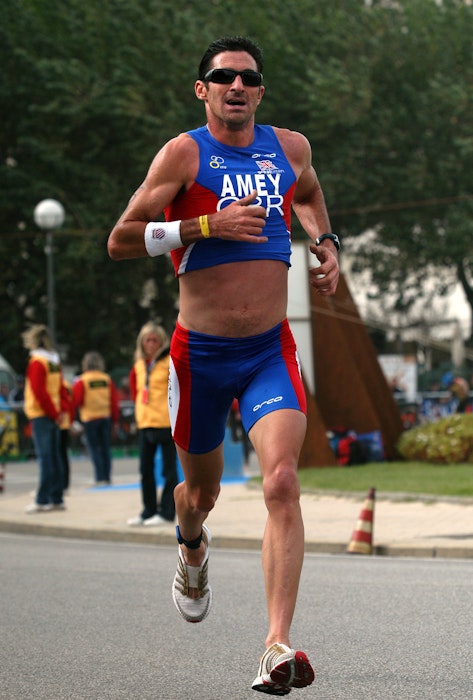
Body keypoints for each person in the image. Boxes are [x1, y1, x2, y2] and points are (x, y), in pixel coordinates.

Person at [108, 35, 339, 695]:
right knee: (199, 496)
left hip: (269, 351)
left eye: (248, 78)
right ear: (202, 89)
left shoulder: (289, 148)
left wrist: (325, 241)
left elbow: (308, 192)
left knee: (281, 482)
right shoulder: (183, 155)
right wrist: (203, 226)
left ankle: (275, 645)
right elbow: (121, 239)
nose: (236, 86)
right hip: (200, 358)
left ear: (260, 91)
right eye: (222, 77)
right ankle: (191, 546)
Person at [126, 322, 178, 526]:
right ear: (142, 342)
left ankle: (167, 512)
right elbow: (135, 391)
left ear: (161, 342)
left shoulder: (168, 362)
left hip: (165, 422)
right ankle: (148, 510)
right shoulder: (139, 365)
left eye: (155, 340)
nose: (151, 344)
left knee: (169, 471)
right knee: (145, 470)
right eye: (147, 340)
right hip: (145, 422)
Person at [22, 325, 67, 513]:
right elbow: (61, 389)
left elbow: (38, 391)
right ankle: (57, 497)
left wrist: (53, 413)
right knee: (55, 458)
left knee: (46, 458)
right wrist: (60, 412)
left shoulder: (37, 362)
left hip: (42, 414)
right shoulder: (54, 362)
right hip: (54, 414)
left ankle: (42, 499)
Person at [72, 351, 119, 486]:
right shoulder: (106, 379)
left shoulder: (82, 380)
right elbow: (113, 401)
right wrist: (115, 420)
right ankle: (107, 477)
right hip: (105, 417)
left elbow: (77, 400)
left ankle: (100, 477)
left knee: (94, 449)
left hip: (89, 418)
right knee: (105, 448)